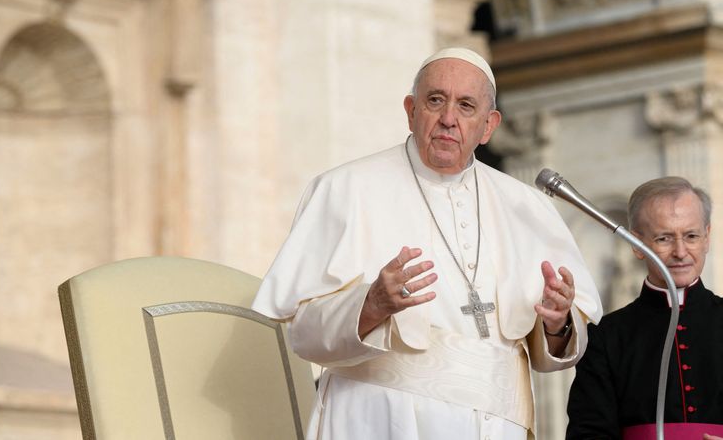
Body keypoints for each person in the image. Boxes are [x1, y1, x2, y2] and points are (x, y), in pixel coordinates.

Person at [252, 47, 603, 440]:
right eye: (435, 100)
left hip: (498, 426)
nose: (448, 119)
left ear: (489, 126)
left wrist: (557, 323)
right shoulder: (345, 188)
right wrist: (369, 306)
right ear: (411, 110)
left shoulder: (527, 206)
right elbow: (302, 332)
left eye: (466, 106)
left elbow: (555, 349)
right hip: (380, 418)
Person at [566, 177, 723, 440]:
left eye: (691, 236)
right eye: (664, 238)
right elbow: (588, 433)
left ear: (707, 237)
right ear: (637, 245)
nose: (681, 252)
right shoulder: (606, 337)